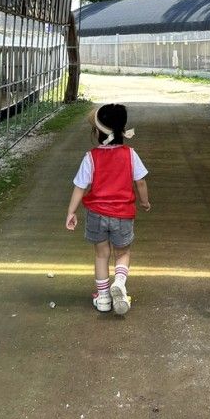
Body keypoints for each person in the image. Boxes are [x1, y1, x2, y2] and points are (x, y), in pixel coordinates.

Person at [66, 103, 151, 316]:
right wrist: (144, 202)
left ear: (97, 133)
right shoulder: (130, 154)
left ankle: (103, 298)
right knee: (122, 253)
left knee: (101, 255)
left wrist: (71, 212)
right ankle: (120, 283)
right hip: (122, 214)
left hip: (96, 214)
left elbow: (80, 186)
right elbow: (140, 182)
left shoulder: (91, 157)